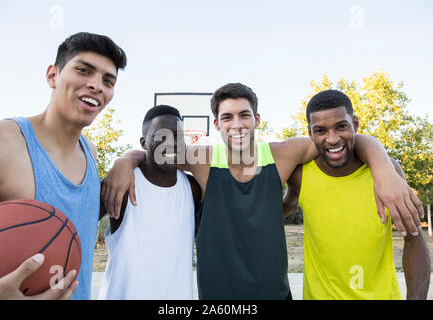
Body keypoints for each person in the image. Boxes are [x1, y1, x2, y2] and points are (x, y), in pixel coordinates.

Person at [102, 83, 424, 299]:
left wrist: (382, 164)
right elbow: (159, 152)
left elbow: (340, 140)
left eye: (244, 115)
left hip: (274, 294)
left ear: (256, 119)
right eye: (227, 117)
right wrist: (124, 160)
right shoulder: (201, 159)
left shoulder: (284, 153)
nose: (237, 124)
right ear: (217, 125)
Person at [0, 32, 127, 300]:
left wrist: (128, 159)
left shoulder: (91, 153)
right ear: (52, 75)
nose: (97, 85)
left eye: (108, 81)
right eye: (83, 70)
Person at [282, 89, 430, 300]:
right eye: (321, 130)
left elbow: (414, 241)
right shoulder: (299, 174)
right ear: (310, 133)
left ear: (356, 125)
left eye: (341, 126)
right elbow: (287, 205)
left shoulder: (388, 173)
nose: (332, 139)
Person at [98, 105, 201, 300]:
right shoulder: (119, 184)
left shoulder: (193, 188)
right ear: (144, 142)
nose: (170, 143)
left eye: (177, 136)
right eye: (161, 136)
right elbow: (72, 227)